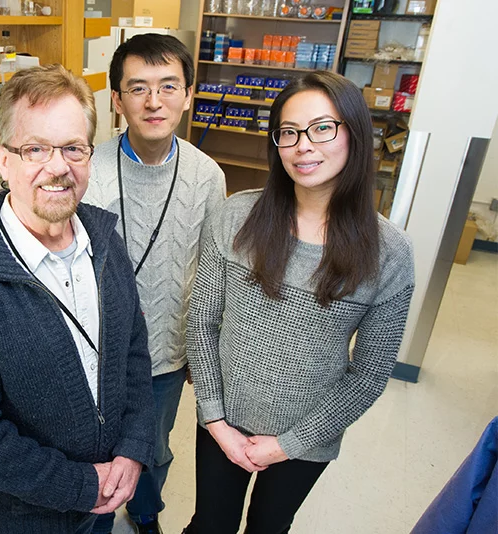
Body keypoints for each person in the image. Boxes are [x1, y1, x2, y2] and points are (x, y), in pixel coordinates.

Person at [0, 64, 156, 534]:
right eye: (35, 149)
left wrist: (132, 449)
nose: (58, 167)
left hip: (108, 495)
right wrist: (82, 486)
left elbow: (133, 354)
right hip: (25, 519)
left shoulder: (107, 244)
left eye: (73, 148)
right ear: (2, 160)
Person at [184, 71, 416, 534]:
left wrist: (288, 444)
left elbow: (369, 374)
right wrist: (214, 417)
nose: (303, 145)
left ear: (354, 133)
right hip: (221, 423)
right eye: (288, 132)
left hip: (307, 438)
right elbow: (202, 323)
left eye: (322, 128)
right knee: (210, 524)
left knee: (270, 526)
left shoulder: (389, 251)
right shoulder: (234, 216)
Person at [83, 33, 225, 534]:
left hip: (167, 350)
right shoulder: (89, 168)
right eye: (138, 88)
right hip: (95, 346)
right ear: (116, 101)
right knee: (95, 444)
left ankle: (145, 512)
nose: (154, 101)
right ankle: (96, 515)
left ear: (188, 94)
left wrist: (198, 353)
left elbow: (211, 270)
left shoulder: (207, 175)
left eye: (168, 86)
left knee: (154, 447)